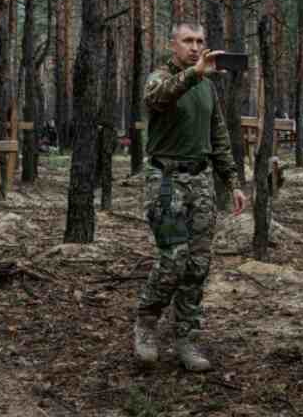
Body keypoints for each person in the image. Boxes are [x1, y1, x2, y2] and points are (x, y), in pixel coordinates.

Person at [134, 22, 245, 372]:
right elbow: (159, 98)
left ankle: (186, 338)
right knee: (173, 259)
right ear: (173, 45)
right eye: (187, 41)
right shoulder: (159, 77)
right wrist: (194, 74)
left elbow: (219, 136)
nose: (195, 47)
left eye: (200, 41)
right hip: (166, 180)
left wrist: (232, 181)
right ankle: (146, 324)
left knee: (198, 265)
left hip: (201, 181)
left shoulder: (208, 88)